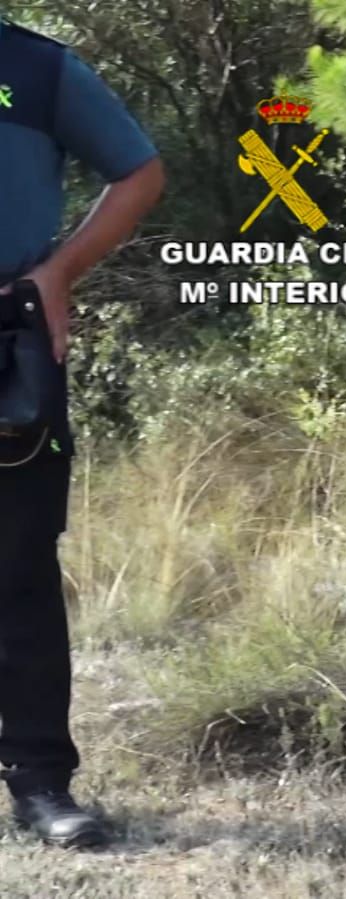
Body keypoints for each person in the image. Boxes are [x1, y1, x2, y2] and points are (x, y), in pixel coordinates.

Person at [0, 17, 165, 848]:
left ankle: (38, 781)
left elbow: (138, 171)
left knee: (19, 567)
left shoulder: (38, 68)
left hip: (9, 346)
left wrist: (56, 273)